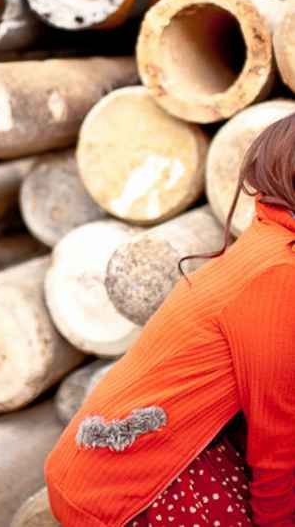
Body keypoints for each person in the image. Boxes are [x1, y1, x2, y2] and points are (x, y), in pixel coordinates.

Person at [45, 114, 295, 526]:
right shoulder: (276, 272)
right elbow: (277, 438)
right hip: (119, 487)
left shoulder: (266, 242)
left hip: (113, 463)